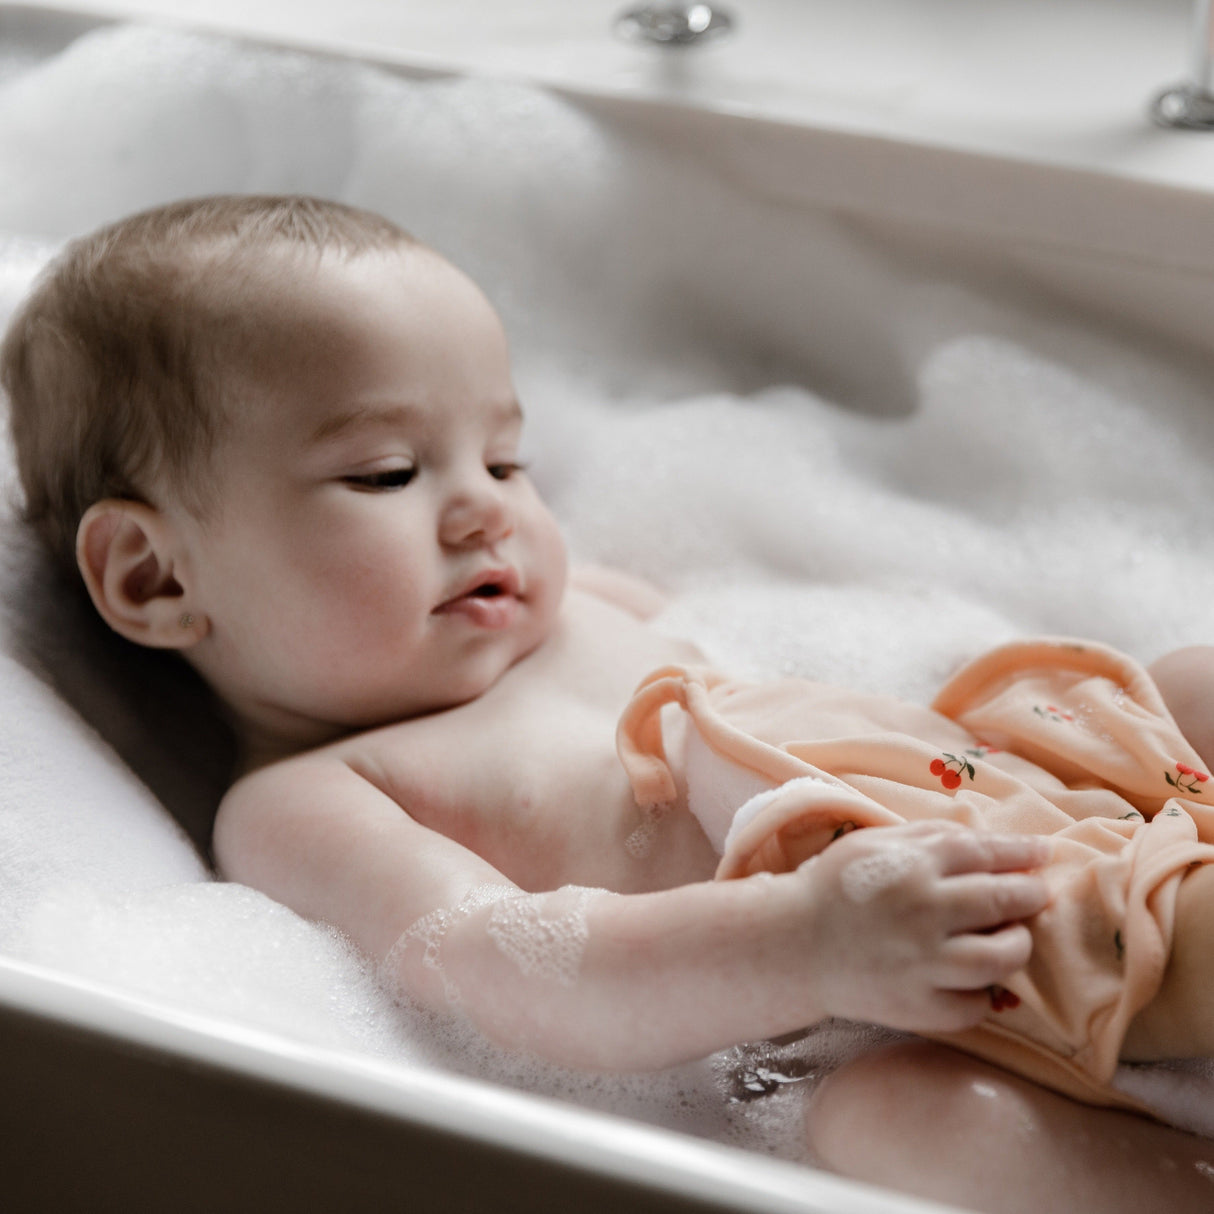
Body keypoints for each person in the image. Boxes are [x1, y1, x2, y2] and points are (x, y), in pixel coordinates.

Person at [5, 194, 1214, 1211]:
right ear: (156, 576)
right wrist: (805, 939)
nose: (487, 508)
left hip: (1049, 784)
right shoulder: (311, 798)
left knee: (1186, 680)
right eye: (386, 470)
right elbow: (512, 970)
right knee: (894, 1123)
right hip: (949, 957)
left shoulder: (585, 600)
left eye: (505, 458)